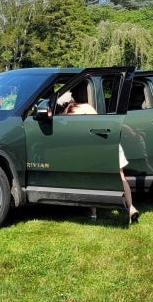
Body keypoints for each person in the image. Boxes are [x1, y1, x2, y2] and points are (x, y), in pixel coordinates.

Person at [60, 92, 139, 224]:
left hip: (92, 149)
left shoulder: (67, 115)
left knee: (92, 178)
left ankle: (94, 214)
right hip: (109, 142)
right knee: (121, 176)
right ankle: (131, 207)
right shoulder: (87, 107)